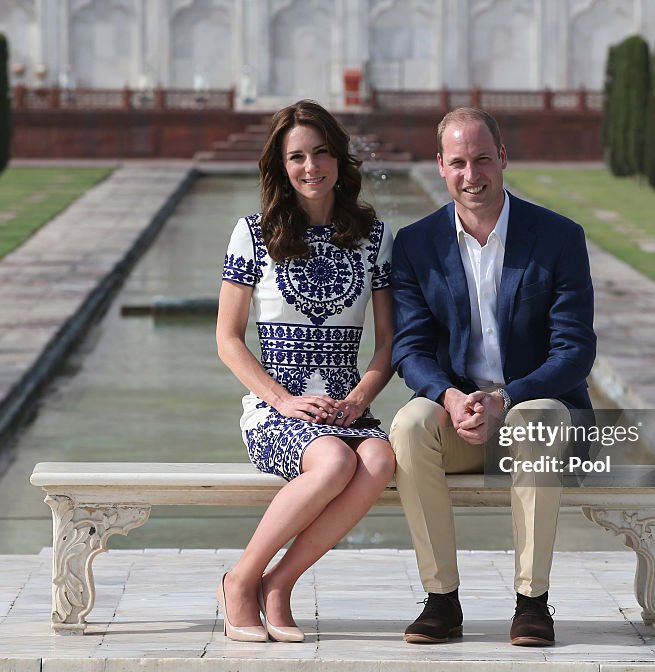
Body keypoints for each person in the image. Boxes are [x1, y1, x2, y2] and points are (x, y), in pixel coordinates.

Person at [389, 107, 596, 646]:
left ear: (502, 157)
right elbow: (409, 351)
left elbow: (574, 352)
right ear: (439, 166)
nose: (471, 174)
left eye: (482, 158)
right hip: (462, 420)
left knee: (539, 418)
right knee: (409, 424)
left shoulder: (558, 237)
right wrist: (451, 398)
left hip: (537, 415)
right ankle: (441, 600)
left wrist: (506, 398)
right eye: (457, 162)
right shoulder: (416, 245)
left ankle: (532, 603)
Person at [216, 99, 396, 643]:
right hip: (278, 409)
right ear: (281, 166)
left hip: (346, 405)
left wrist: (362, 396)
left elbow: (390, 342)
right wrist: (283, 401)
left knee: (381, 458)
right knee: (336, 460)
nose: (311, 166)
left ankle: (279, 585)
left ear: (340, 159)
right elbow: (228, 340)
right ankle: (240, 580)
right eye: (297, 156)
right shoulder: (253, 233)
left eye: (321, 152)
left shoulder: (374, 238)